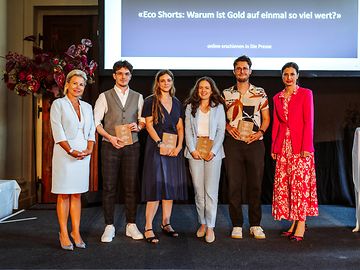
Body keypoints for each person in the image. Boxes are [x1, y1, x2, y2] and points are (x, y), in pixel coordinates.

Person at [94, 60, 145, 242]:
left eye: (127, 74)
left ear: (131, 76)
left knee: (131, 187)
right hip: (110, 146)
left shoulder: (138, 97)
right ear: (114, 75)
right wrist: (110, 137)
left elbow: (142, 121)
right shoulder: (104, 96)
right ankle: (109, 226)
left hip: (132, 146)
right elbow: (96, 123)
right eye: (120, 73)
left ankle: (131, 225)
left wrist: (138, 126)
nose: (123, 77)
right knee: (109, 187)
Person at [223, 55, 270, 239]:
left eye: (245, 68)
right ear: (234, 71)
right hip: (233, 143)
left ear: (250, 71)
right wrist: (228, 127)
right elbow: (220, 118)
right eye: (238, 68)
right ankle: (236, 224)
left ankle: (255, 224)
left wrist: (260, 133)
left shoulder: (260, 92)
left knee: (255, 185)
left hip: (254, 143)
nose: (242, 71)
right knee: (234, 185)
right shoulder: (226, 93)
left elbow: (266, 119)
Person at [271, 62, 319, 242]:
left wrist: (307, 147)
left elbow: (309, 121)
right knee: (287, 185)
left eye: (292, 74)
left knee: (300, 185)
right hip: (283, 147)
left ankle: (301, 223)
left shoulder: (306, 94)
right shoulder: (277, 97)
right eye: (285, 74)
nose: (288, 77)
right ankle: (293, 222)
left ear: (297, 75)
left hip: (301, 147)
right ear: (282, 77)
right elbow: (276, 124)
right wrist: (275, 147)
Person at [50, 69, 96, 250]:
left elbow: (91, 130)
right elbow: (57, 131)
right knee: (64, 193)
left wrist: (88, 150)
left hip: (83, 154)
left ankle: (75, 231)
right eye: (75, 83)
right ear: (67, 84)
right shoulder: (58, 104)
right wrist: (71, 151)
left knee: (77, 194)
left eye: (82, 84)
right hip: (64, 153)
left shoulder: (87, 107)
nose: (78, 87)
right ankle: (63, 232)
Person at [141, 69, 188, 244]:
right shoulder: (150, 101)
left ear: (172, 82)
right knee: (155, 187)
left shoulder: (176, 102)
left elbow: (180, 127)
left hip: (173, 150)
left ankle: (166, 223)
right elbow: (149, 125)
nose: (166, 83)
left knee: (170, 188)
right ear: (158, 83)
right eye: (162, 80)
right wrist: (160, 143)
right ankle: (148, 227)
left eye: (169, 80)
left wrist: (178, 147)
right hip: (156, 148)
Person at [184, 77, 226, 243]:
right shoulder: (190, 107)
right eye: (200, 87)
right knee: (198, 191)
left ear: (211, 90)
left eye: (206, 87)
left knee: (210, 191)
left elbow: (221, 131)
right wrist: (193, 150)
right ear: (197, 90)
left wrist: (213, 151)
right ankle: (202, 222)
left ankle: (210, 226)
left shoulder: (219, 107)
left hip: (212, 153)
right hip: (195, 152)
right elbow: (187, 130)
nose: (203, 90)